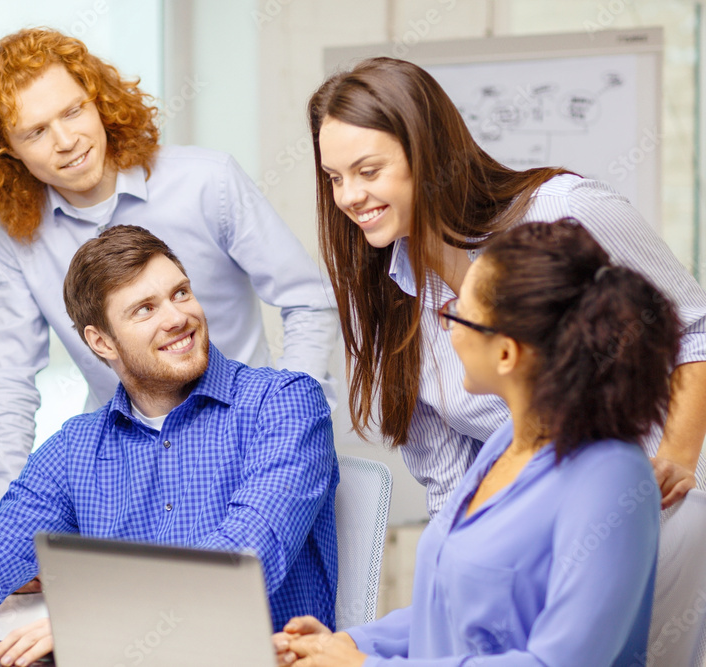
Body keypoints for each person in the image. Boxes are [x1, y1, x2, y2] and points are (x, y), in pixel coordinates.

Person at [0, 27, 340, 515]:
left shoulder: (207, 181)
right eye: (36, 132)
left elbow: (309, 298)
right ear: (7, 150)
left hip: (246, 449)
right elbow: (9, 380)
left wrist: (286, 423)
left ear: (99, 101)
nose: (67, 141)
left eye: (73, 111)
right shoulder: (14, 231)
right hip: (121, 472)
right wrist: (7, 514)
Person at [309, 57, 706, 516]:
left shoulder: (564, 211)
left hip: (663, 509)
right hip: (548, 538)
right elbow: (450, 486)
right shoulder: (386, 290)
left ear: (428, 153)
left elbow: (694, 330)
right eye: (335, 178)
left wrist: (677, 457)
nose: (348, 197)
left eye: (369, 171)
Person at [274, 219, 676, 665]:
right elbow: (452, 602)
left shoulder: (611, 479)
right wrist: (351, 644)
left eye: (457, 314)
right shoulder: (506, 442)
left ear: (505, 353)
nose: (447, 327)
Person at [0, 225, 338, 667]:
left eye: (180, 293)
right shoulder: (74, 449)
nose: (177, 317)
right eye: (145, 309)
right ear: (101, 342)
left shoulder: (284, 404)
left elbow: (242, 563)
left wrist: (92, 620)